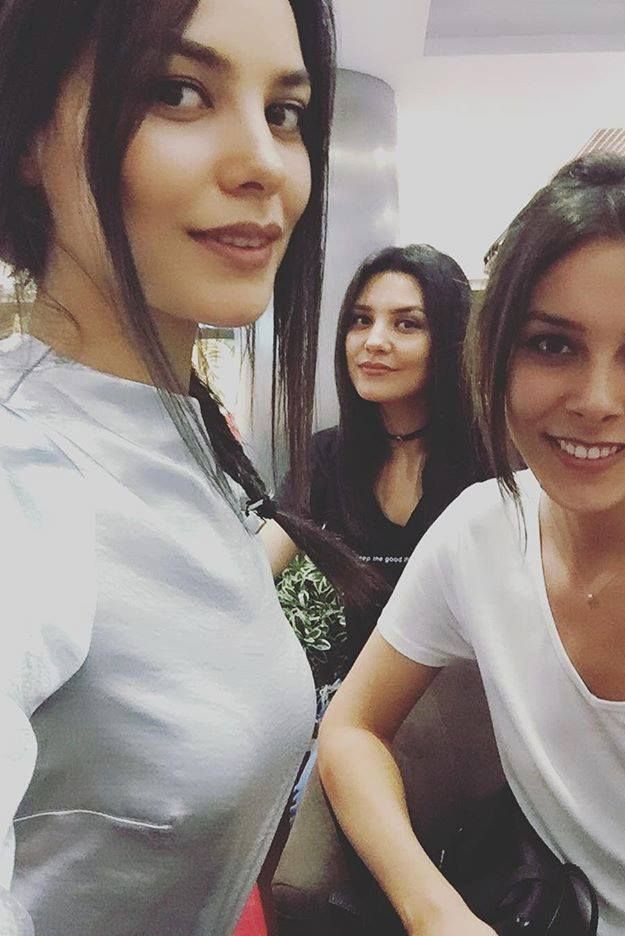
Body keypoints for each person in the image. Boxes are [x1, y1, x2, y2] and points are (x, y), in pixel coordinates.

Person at [0, 0, 372, 933]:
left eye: (284, 112)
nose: (264, 163)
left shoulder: (182, 428)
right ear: (30, 135)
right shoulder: (22, 470)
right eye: (178, 92)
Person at [317, 154, 625, 936]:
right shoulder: (482, 531)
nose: (596, 400)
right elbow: (351, 730)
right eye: (552, 345)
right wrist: (432, 910)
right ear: (496, 355)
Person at [262, 243, 485, 662]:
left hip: (475, 694)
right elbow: (257, 566)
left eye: (407, 324)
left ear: (451, 339)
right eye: (361, 320)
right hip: (364, 696)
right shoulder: (326, 456)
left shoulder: (492, 461)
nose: (374, 341)